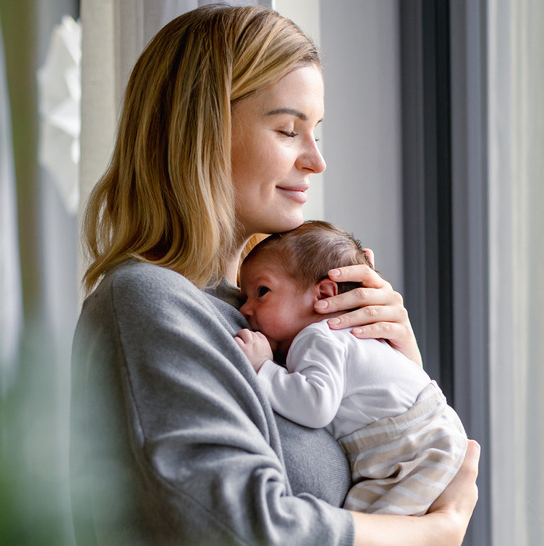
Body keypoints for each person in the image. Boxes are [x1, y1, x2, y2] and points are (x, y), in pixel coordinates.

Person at [70, 5, 479, 545]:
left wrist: (396, 382)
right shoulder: (150, 304)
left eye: (317, 132)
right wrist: (434, 533)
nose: (316, 160)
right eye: (289, 129)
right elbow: (243, 528)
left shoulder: (266, 315)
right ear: (203, 132)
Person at [235, 220, 468, 516]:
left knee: (376, 528)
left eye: (262, 291)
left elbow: (315, 406)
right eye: (244, 297)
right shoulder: (346, 336)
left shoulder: (319, 336)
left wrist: (262, 367)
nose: (245, 309)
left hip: (410, 448)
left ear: (323, 295)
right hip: (426, 438)